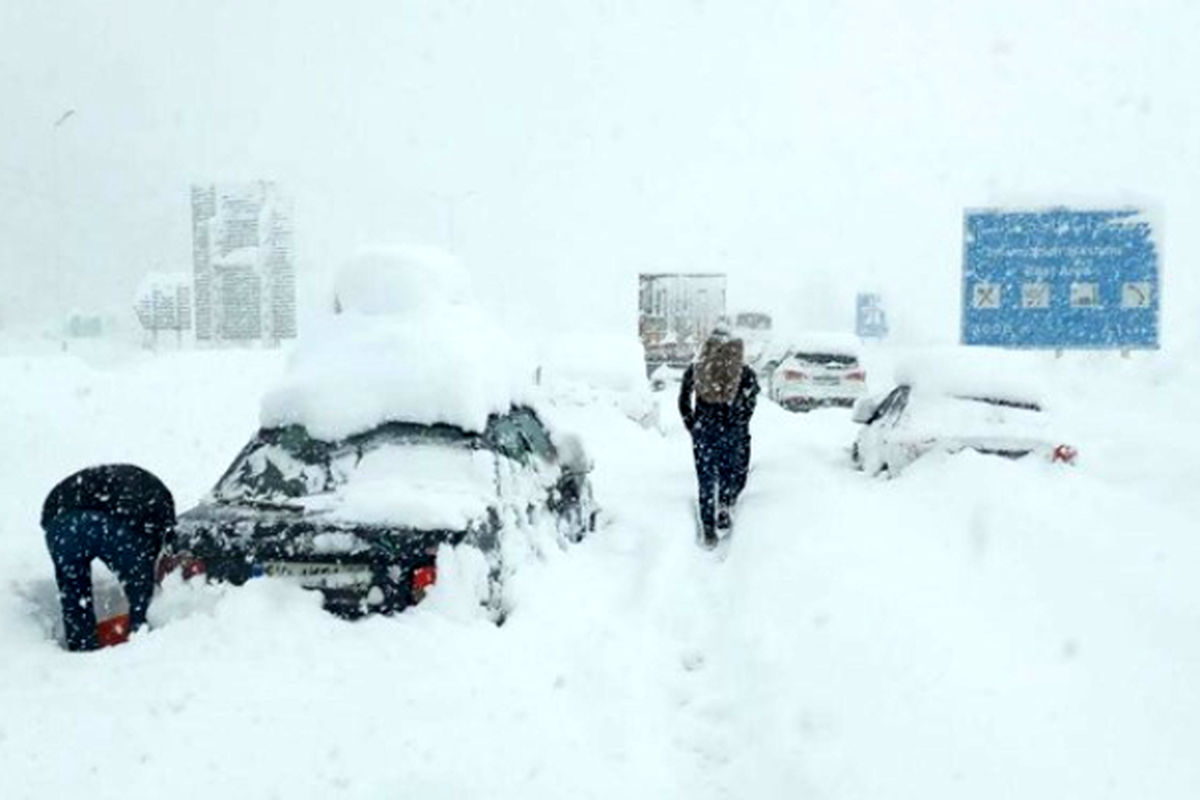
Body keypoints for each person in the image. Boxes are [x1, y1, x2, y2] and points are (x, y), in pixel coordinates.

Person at [41, 464, 175, 651]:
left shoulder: (145, 492)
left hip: (57, 519)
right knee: (140, 584)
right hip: (101, 520)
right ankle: (143, 642)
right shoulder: (161, 517)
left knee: (74, 593)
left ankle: (81, 650)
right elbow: (147, 557)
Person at [678, 325, 759, 545]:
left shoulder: (696, 368)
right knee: (726, 473)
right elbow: (752, 399)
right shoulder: (743, 370)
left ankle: (707, 525)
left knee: (705, 479)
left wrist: (691, 424)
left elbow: (683, 399)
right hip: (730, 431)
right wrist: (740, 421)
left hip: (704, 431)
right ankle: (724, 507)